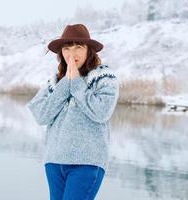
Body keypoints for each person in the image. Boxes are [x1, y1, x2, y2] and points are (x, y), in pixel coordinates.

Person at [26, 24, 119, 200]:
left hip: (87, 163)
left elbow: (101, 112)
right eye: (67, 48)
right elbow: (41, 115)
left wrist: (75, 81)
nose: (72, 53)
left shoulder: (104, 77)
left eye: (79, 47)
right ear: (61, 52)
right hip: (54, 162)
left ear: (89, 50)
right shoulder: (54, 82)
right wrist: (65, 84)